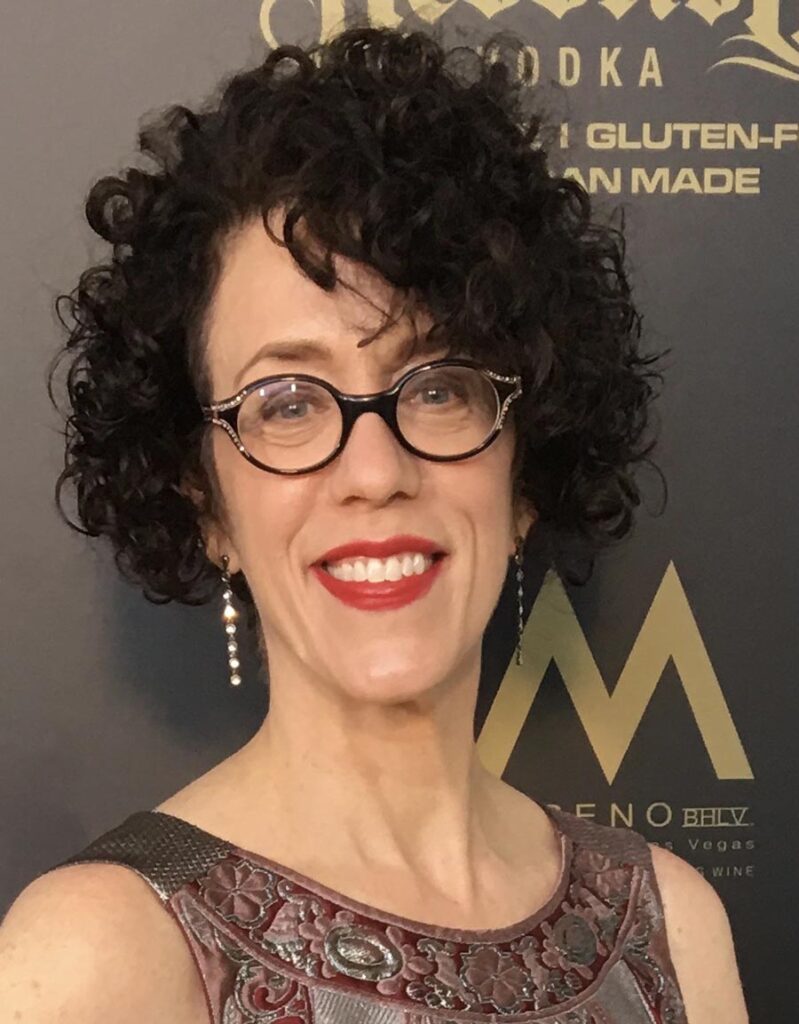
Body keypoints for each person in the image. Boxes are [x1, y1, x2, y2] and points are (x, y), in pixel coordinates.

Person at [0, 19, 748, 1024]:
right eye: (289, 401)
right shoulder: (98, 954)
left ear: (523, 468)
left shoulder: (672, 924)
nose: (374, 470)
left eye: (436, 386)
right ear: (203, 499)